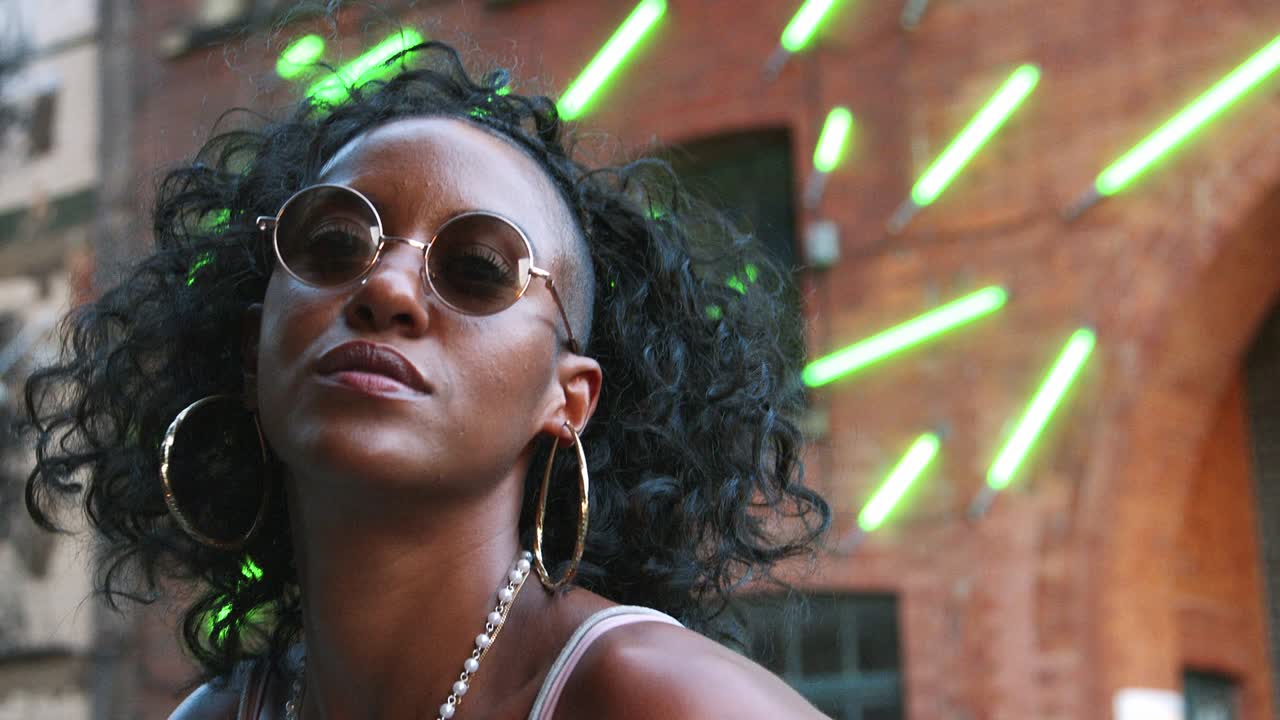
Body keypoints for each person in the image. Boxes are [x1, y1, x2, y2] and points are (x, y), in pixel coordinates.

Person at [21, 38, 831, 719]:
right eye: (333, 244)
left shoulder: (657, 699)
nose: (386, 289)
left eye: (478, 267)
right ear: (252, 350)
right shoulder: (223, 714)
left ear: (568, 397)